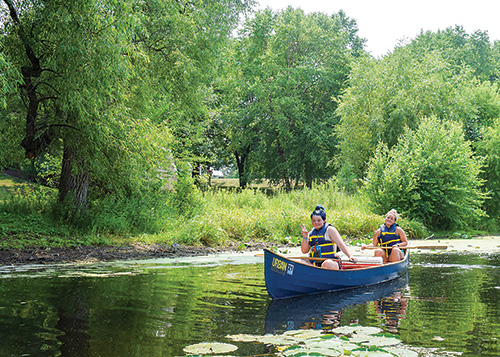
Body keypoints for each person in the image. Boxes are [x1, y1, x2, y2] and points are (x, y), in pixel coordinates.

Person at [300, 205, 357, 270]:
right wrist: (305, 237)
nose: (316, 223)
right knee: (301, 261)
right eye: (314, 221)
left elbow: (340, 244)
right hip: (315, 264)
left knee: (327, 264)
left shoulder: (330, 230)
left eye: (319, 220)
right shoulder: (311, 233)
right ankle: (315, 273)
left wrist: (350, 256)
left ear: (324, 220)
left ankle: (319, 273)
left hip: (331, 263)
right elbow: (304, 251)